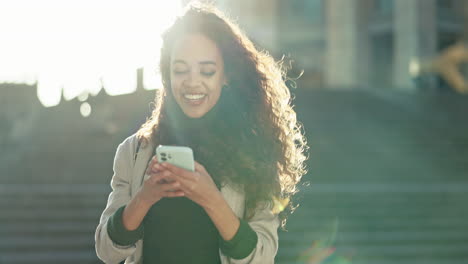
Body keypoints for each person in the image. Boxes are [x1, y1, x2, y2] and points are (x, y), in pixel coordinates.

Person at [95, 3, 308, 264]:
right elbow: (107, 251)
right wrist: (144, 198)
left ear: (226, 75)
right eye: (180, 70)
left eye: (207, 71)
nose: (192, 82)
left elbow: (262, 257)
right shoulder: (134, 151)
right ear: (167, 76)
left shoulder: (255, 152)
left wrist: (211, 199)